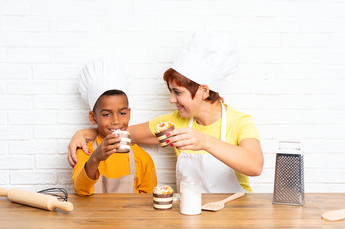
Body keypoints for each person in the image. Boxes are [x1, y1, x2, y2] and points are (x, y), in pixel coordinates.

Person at [69, 32, 263, 193]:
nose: (171, 100)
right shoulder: (174, 123)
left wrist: (204, 141)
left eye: (177, 92)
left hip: (235, 214)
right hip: (191, 210)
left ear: (204, 91)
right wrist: (83, 134)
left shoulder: (240, 122)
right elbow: (121, 132)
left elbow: (255, 166)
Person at [72, 58, 157, 195]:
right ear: (93, 117)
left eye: (122, 113)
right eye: (106, 114)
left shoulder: (142, 157)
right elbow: (80, 190)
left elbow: (147, 201)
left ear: (129, 114)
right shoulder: (85, 153)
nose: (116, 121)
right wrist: (95, 158)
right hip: (93, 217)